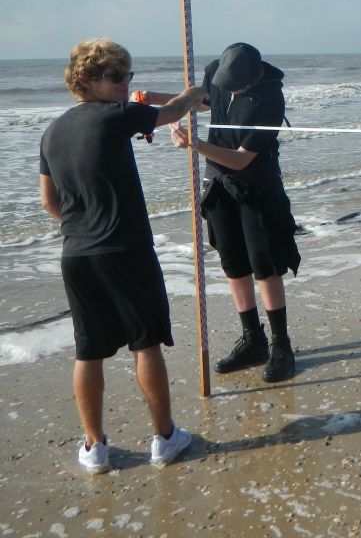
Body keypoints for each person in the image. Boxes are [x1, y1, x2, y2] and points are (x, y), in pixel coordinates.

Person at [39, 38, 206, 473]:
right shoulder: (119, 115)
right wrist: (192, 92)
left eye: (127, 75)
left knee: (88, 349)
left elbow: (50, 202)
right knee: (145, 342)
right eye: (115, 76)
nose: (124, 84)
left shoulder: (51, 131)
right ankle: (165, 438)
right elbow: (173, 112)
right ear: (85, 81)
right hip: (126, 247)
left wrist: (82, 224)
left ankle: (95, 448)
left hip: (77, 252)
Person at [151, 42, 300, 382]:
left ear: (255, 75)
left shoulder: (269, 100)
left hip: (256, 186)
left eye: (235, 87)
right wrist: (152, 99)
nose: (228, 89)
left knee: (264, 264)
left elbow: (242, 159)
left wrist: (194, 145)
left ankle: (281, 345)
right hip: (218, 183)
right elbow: (201, 100)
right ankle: (253, 339)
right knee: (232, 262)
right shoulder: (217, 74)